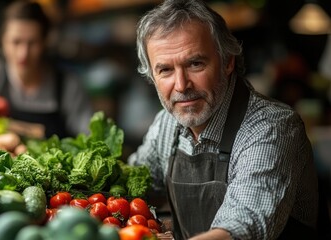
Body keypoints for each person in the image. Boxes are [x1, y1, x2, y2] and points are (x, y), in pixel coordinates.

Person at [128, 0, 319, 239]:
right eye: (165, 70)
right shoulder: (166, 124)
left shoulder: (271, 128)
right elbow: (133, 187)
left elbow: (240, 229)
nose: (181, 86)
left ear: (228, 61)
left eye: (195, 64)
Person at [0, 0, 93, 138]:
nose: (24, 54)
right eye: (16, 42)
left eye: (32, 43)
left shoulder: (68, 87)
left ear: (45, 42)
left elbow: (89, 137)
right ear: (3, 41)